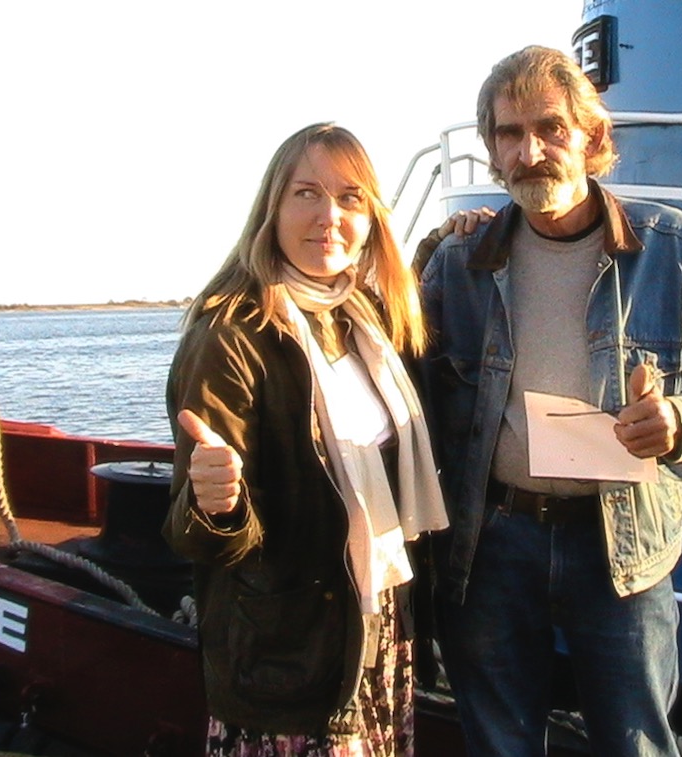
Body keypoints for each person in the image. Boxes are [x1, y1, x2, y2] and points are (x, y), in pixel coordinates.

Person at [418, 46, 682, 757]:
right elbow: (392, 359)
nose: (530, 150)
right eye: (509, 133)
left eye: (551, 128)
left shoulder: (673, 248)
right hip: (493, 544)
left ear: (593, 138)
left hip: (622, 544)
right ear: (491, 151)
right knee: (499, 743)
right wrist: (428, 245)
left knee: (636, 744)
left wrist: (677, 420)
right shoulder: (460, 264)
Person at [163, 122, 449, 757]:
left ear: (373, 218)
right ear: (273, 207)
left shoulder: (367, 319)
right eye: (306, 194)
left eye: (350, 198)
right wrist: (218, 501)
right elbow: (198, 537)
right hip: (292, 643)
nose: (329, 217)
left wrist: (451, 236)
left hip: (377, 622)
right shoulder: (232, 334)